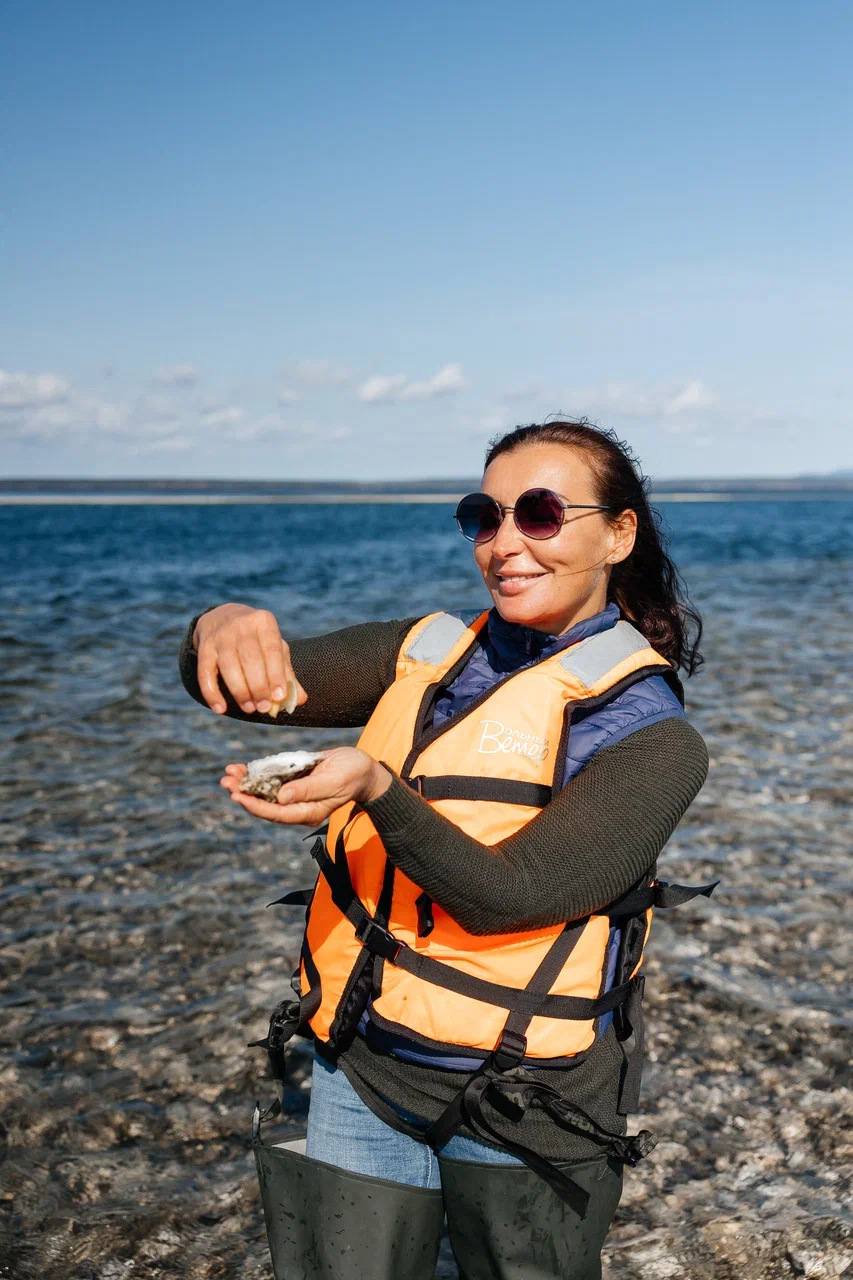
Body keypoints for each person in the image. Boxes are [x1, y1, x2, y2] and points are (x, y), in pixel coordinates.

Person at [178, 420, 713, 1280]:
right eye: (484, 516)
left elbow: (514, 894)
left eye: (539, 514)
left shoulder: (656, 739)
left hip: (528, 1101)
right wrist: (222, 622)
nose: (505, 544)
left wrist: (373, 788)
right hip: (365, 1065)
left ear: (617, 533)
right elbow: (246, 688)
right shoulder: (423, 653)